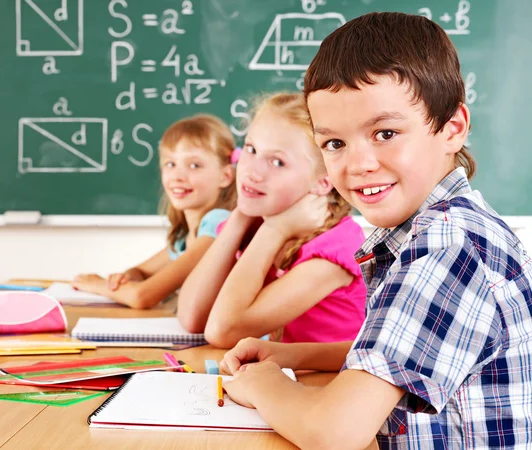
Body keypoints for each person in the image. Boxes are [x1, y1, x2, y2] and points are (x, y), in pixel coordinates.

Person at [219, 12, 532, 449]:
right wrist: (291, 355)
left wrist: (261, 383)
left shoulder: (446, 246)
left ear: (452, 128)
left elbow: (333, 434)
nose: (357, 163)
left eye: (385, 133)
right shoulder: (445, 226)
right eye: (334, 143)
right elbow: (392, 354)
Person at [178, 92, 366, 348]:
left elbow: (222, 331)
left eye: (277, 162)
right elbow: (192, 317)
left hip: (326, 386)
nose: (251, 171)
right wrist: (239, 218)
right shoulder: (257, 222)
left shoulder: (335, 250)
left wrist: (274, 230)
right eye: (251, 149)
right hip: (281, 378)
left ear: (324, 181)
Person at [72, 114, 236, 309]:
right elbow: (140, 271)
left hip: (236, 340)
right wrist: (128, 277)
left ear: (225, 176)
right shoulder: (183, 239)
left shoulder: (219, 225)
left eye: (194, 165)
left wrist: (96, 284)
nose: (178, 176)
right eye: (170, 164)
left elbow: (143, 296)